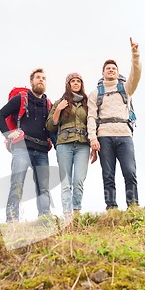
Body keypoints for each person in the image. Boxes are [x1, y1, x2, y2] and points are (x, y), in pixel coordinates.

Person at [87, 38, 142, 210]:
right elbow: (91, 117)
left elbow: (136, 73)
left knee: (129, 172)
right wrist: (92, 139)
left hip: (124, 135)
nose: (111, 70)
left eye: (114, 68)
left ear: (118, 72)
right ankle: (111, 208)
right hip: (104, 137)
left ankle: (133, 206)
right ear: (103, 73)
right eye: (108, 68)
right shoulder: (95, 93)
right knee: (108, 175)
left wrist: (135, 53)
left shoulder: (126, 88)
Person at [0, 68, 52, 222]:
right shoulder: (20, 99)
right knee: (17, 185)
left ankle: (45, 219)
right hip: (22, 148)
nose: (41, 80)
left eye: (44, 78)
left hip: (41, 151)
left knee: (44, 188)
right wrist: (8, 134)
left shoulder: (48, 104)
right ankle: (12, 220)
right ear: (31, 82)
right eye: (38, 77)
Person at [46, 72, 95, 219]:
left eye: (78, 81)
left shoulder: (87, 103)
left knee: (79, 180)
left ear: (81, 84)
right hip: (64, 145)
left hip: (83, 145)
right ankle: (67, 214)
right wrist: (59, 109)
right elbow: (50, 126)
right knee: (66, 182)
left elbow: (93, 124)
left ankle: (76, 212)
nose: (75, 83)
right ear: (68, 84)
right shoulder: (60, 102)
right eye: (72, 81)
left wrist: (94, 145)